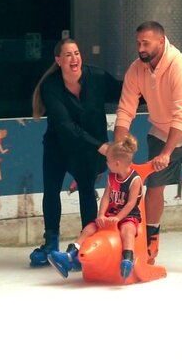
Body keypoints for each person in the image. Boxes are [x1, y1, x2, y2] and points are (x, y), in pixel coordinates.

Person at [113, 21, 182, 274]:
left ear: (161, 42)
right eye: (138, 43)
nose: (140, 48)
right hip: (162, 131)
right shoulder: (136, 70)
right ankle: (150, 243)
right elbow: (125, 109)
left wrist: (166, 153)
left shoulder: (180, 66)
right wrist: (118, 148)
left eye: (146, 43)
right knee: (154, 188)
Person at [28, 38, 122, 267]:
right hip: (58, 148)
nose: (74, 58)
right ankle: (51, 243)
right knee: (51, 192)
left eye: (77, 53)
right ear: (58, 60)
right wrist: (100, 145)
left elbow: (126, 91)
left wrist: (152, 87)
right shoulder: (51, 86)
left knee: (87, 192)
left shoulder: (97, 78)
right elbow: (65, 126)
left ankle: (87, 245)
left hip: (86, 152)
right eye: (68, 55)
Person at [48, 135, 143, 280]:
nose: (106, 163)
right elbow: (106, 197)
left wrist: (118, 218)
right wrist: (101, 215)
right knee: (89, 229)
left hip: (128, 215)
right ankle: (70, 256)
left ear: (117, 163)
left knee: (127, 230)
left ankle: (127, 259)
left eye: (108, 161)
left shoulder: (135, 180)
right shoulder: (112, 177)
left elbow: (131, 203)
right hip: (111, 214)